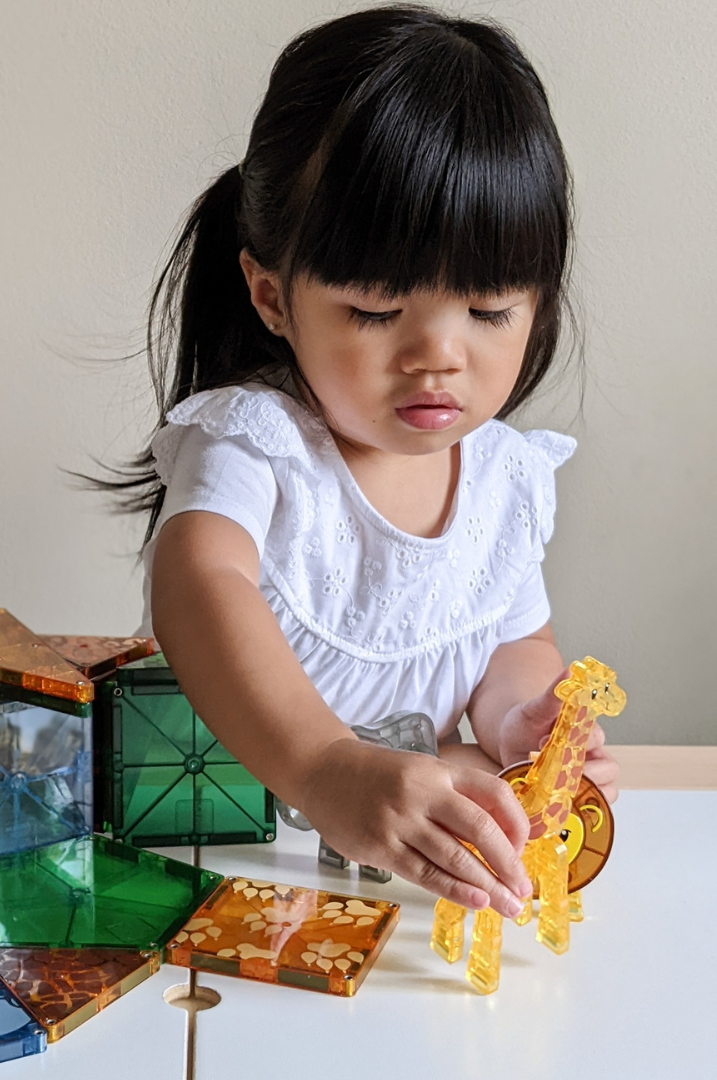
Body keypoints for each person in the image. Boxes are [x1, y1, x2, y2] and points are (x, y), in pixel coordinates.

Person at [109, 5, 618, 919]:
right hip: (223, 860)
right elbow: (197, 582)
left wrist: (521, 727)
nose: (438, 355)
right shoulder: (257, 442)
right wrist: (324, 768)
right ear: (272, 296)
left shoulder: (503, 479)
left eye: (489, 310)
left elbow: (512, 646)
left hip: (395, 894)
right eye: (378, 312)